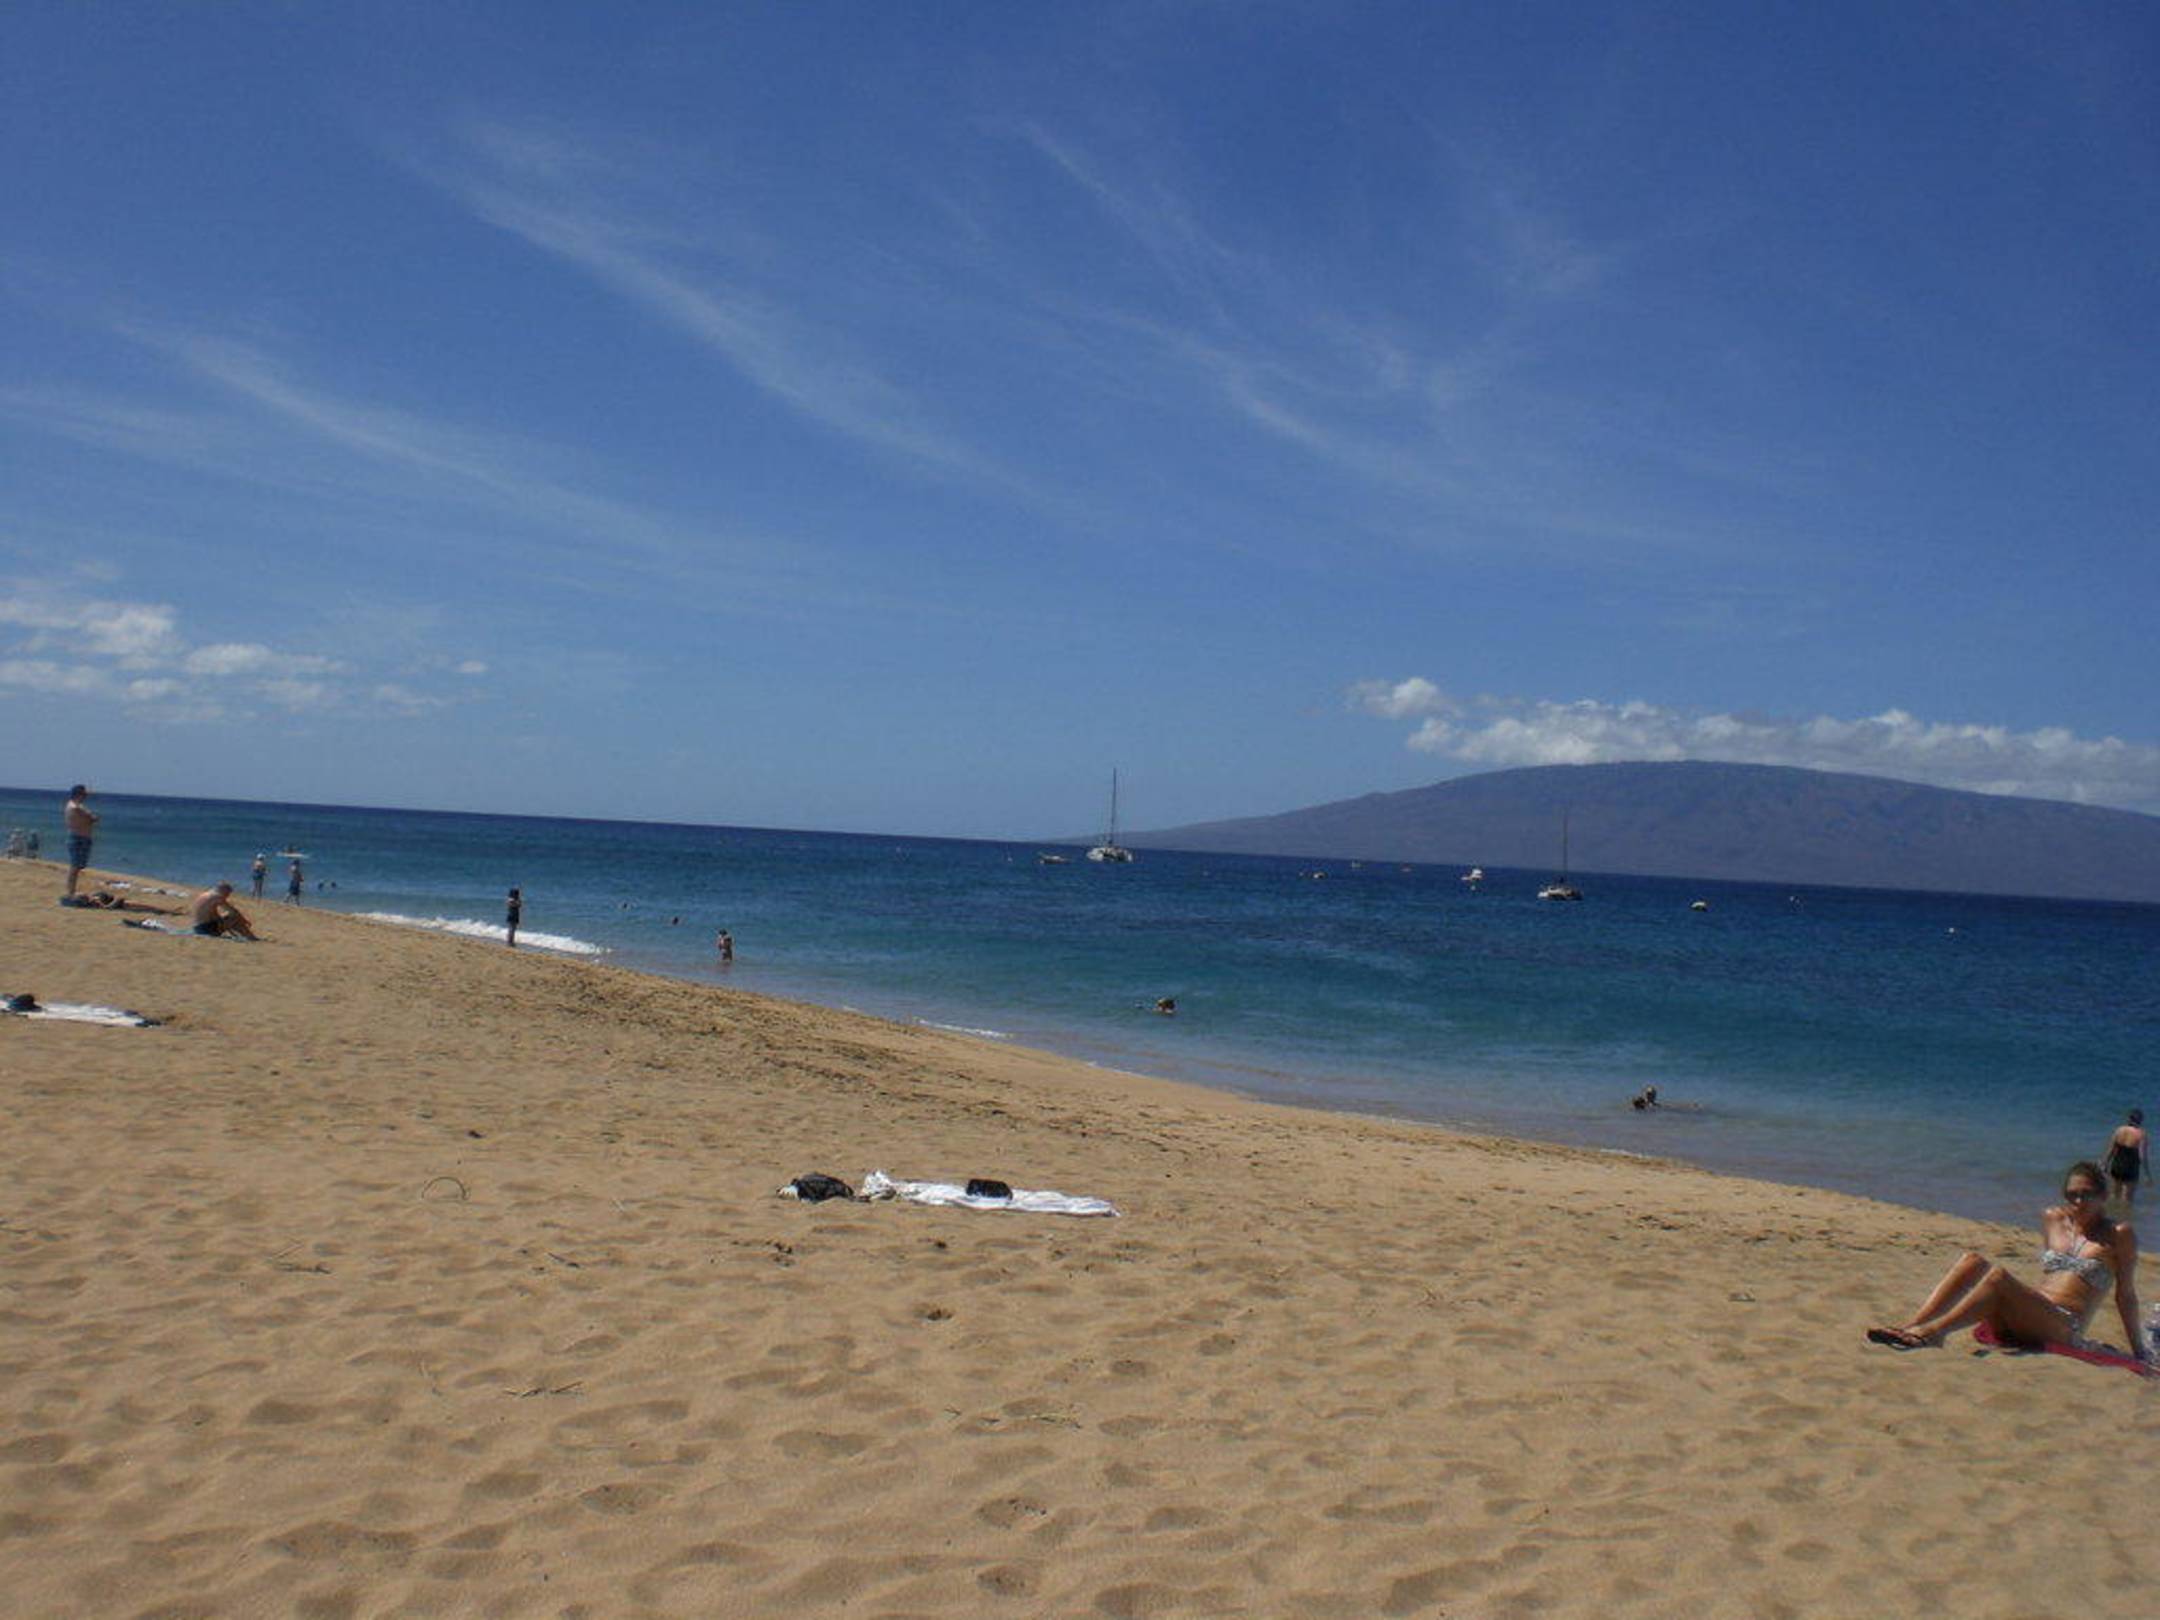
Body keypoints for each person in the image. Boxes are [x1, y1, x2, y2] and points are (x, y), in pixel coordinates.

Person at [1866, 1162, 2143, 1358]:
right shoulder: (2053, 1218)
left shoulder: (2119, 1233)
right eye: (2072, 1194)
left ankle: (1935, 1333)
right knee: (1972, 1261)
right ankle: (1911, 1326)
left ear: (2104, 1196)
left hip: (2064, 1326)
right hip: (2030, 1314)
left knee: (1998, 1277)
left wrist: (2138, 1351)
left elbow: (2126, 1295)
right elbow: (2053, 1277)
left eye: (2087, 1194)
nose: (2079, 1201)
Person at [2104, 1110, 2149, 1206]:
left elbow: (2111, 1149)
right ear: (2140, 1120)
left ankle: (2113, 1212)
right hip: (2131, 1167)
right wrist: (2147, 1174)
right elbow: (2142, 1156)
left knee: (2114, 1194)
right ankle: (2124, 1215)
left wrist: (2105, 1164)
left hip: (2117, 1165)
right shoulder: (2141, 1134)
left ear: (2129, 1119)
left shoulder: (2119, 1130)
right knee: (2127, 1198)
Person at [190, 882, 259, 940]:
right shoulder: (217, 897)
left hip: (197, 928)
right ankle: (251, 937)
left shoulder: (206, 894)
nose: (227, 896)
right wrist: (244, 921)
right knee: (234, 917)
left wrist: (228, 926)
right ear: (224, 890)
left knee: (229, 917)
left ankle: (249, 936)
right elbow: (233, 911)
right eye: (228, 893)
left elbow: (213, 915)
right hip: (205, 929)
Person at [63, 784, 97, 897]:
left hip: (81, 837)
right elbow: (91, 818)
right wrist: (90, 816)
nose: (85, 797)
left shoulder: (78, 806)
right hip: (78, 838)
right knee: (75, 866)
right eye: (84, 795)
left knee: (77, 866)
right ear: (78, 795)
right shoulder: (75, 807)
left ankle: (71, 891)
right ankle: (70, 892)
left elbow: (91, 817)